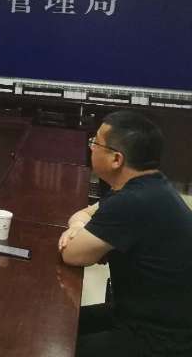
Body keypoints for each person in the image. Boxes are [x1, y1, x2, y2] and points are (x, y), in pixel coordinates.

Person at [58, 110, 192, 357]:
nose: (91, 147)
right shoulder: (150, 186)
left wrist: (79, 232)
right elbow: (84, 214)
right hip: (141, 315)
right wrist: (78, 228)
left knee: (55, 347)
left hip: (161, 339)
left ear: (116, 159)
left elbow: (72, 254)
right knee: (58, 324)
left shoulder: (133, 201)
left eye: (95, 142)